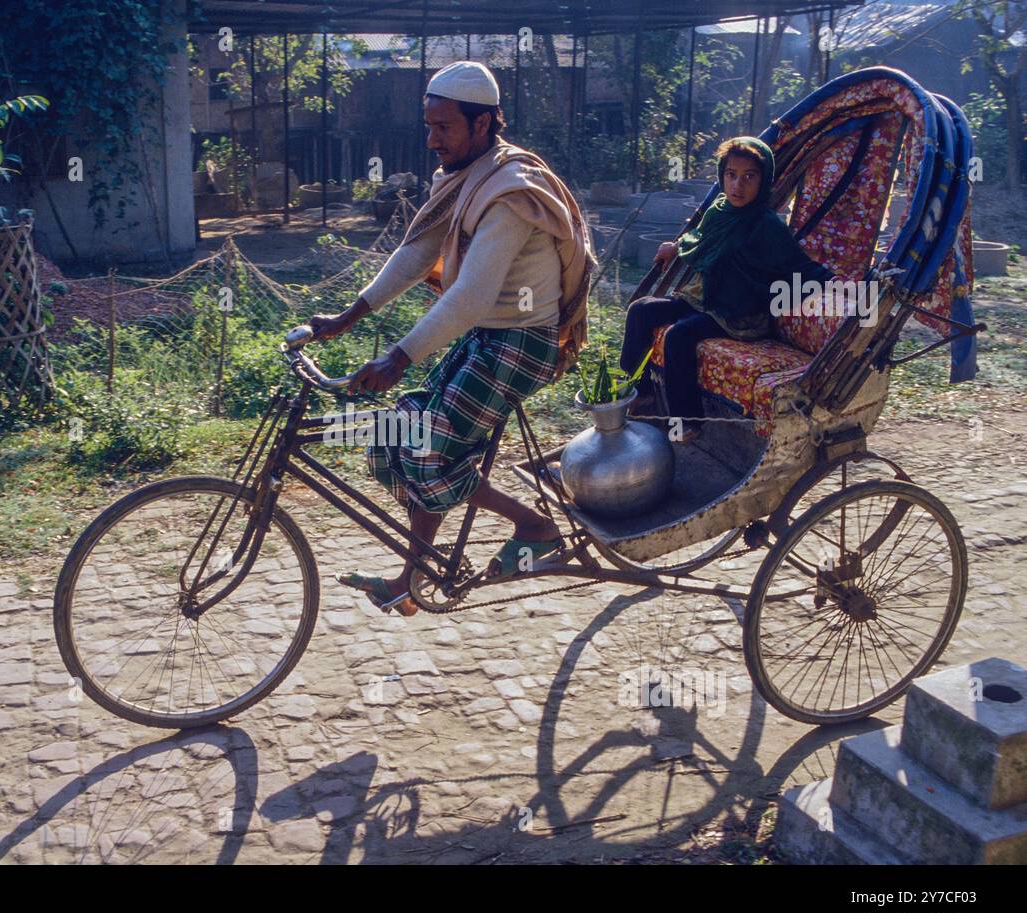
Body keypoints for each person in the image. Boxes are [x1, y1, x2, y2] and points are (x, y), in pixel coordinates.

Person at [309, 60, 595, 616]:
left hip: (523, 342)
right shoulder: (463, 178)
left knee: (429, 443)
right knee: (404, 430)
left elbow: (470, 294)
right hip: (489, 336)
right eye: (429, 126)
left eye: (444, 128)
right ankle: (412, 579)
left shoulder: (511, 192)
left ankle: (535, 527)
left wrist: (397, 357)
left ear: (483, 124)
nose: (432, 140)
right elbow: (419, 253)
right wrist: (348, 316)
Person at [619, 136, 834, 442]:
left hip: (739, 314)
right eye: (731, 175)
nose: (738, 186)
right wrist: (675, 247)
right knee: (641, 310)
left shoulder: (766, 224)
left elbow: (800, 266)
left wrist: (834, 283)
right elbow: (702, 239)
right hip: (703, 298)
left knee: (679, 335)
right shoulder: (719, 211)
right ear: (722, 176)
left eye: (749, 177)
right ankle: (639, 393)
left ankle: (689, 422)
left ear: (764, 181)